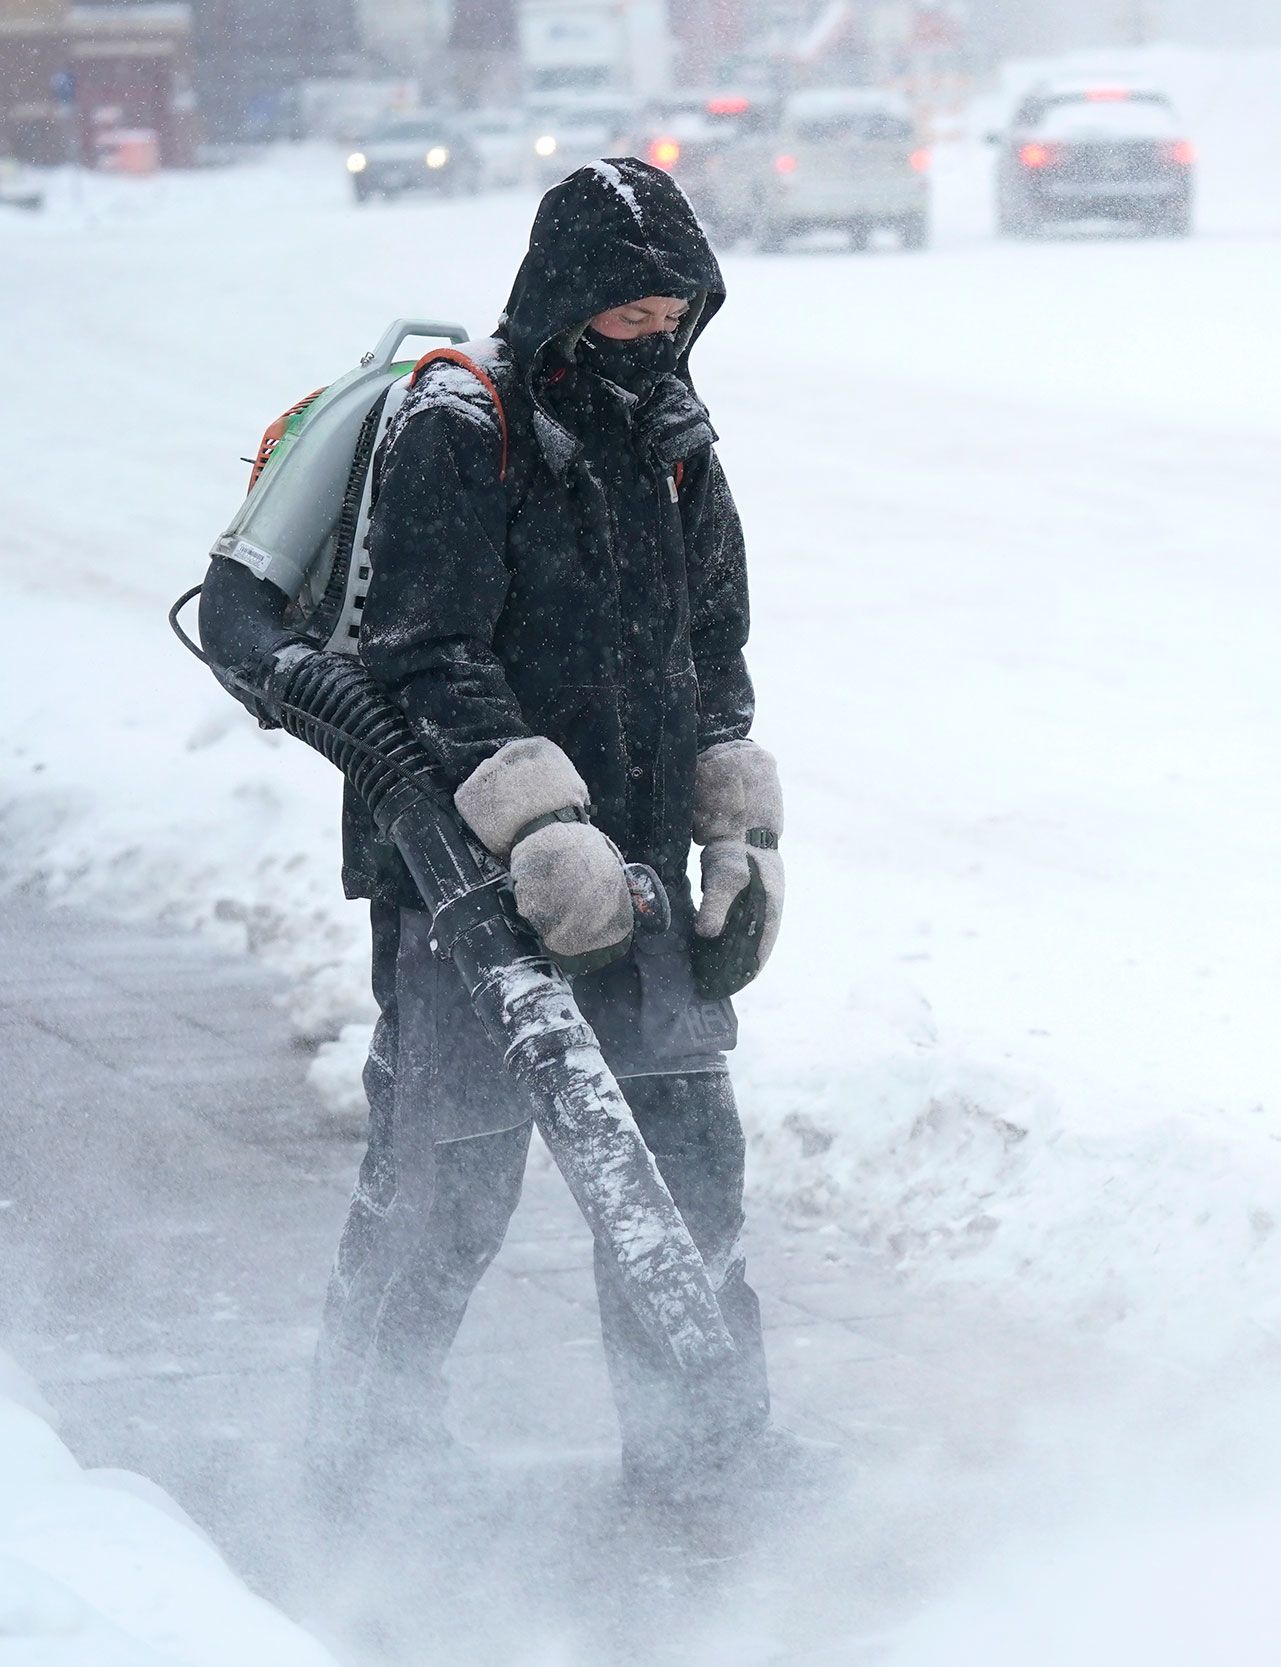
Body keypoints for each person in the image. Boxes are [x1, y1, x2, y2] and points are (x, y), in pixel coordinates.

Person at [305, 158, 821, 1505]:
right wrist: (537, 822)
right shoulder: (453, 429)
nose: (654, 334)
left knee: (688, 1172)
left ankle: (700, 1450)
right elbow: (424, 654)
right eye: (630, 311)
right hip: (468, 880)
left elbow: (714, 645)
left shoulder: (673, 441)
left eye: (674, 311)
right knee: (447, 1189)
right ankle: (365, 1454)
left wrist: (733, 823)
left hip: (639, 874)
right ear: (566, 297)